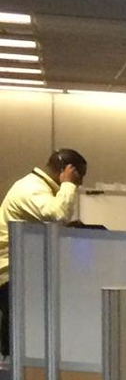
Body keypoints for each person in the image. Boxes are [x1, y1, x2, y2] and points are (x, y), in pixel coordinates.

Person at [0, 148, 86, 355]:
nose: (80, 183)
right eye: (78, 176)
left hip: (20, 269)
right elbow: (58, 215)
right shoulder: (32, 189)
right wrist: (68, 184)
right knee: (17, 332)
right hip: (9, 271)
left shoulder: (38, 188)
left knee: (19, 329)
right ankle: (12, 373)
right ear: (67, 170)